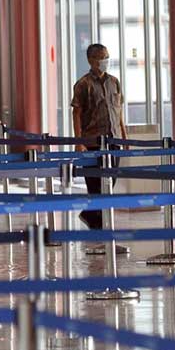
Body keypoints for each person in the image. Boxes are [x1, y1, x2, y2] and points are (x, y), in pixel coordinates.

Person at [71, 44, 128, 230]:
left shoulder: (114, 82)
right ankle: (100, 227)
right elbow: (77, 114)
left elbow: (118, 112)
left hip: (113, 140)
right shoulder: (83, 84)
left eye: (107, 56)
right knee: (95, 185)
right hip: (92, 141)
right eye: (101, 57)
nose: (105, 61)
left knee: (110, 183)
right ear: (91, 60)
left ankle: (92, 217)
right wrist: (80, 142)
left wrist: (124, 137)